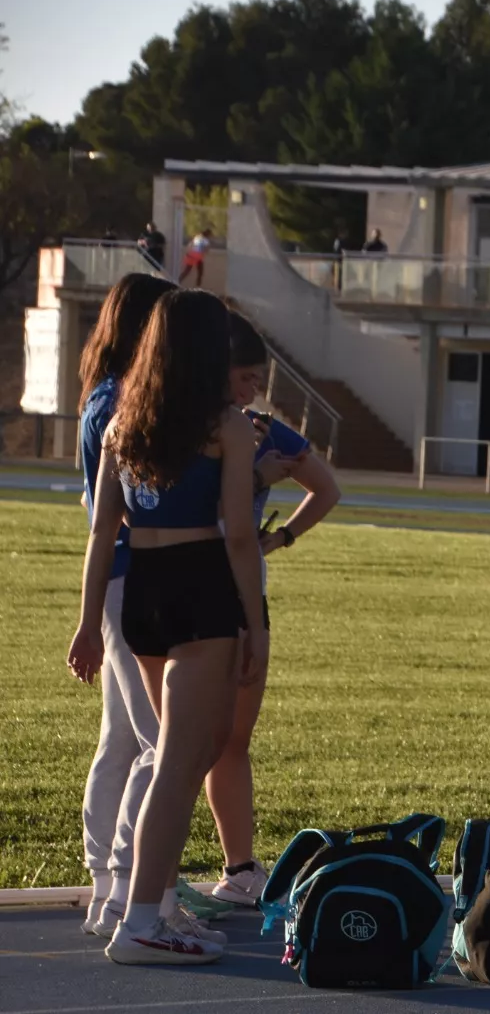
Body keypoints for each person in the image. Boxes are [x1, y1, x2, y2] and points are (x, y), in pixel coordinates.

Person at [68, 288, 265, 965]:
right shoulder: (227, 426)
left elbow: (101, 532)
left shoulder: (125, 422)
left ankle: (152, 903)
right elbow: (239, 535)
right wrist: (256, 621)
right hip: (200, 584)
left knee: (194, 747)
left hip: (143, 591)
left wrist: (90, 621)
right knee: (180, 760)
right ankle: (142, 917)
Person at [200, 313, 342, 909]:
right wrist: (252, 477)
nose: (250, 392)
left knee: (233, 737)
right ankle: (142, 879)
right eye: (241, 378)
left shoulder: (261, 429)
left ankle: (238, 866)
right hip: (194, 586)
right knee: (178, 742)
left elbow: (327, 488)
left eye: (258, 380)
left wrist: (279, 538)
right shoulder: (187, 427)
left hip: (239, 584)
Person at [74, 272, 175, 939]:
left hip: (115, 579)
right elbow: (114, 520)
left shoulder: (101, 397)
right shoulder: (122, 406)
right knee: (156, 743)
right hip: (129, 578)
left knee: (120, 739)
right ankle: (130, 892)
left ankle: (105, 885)